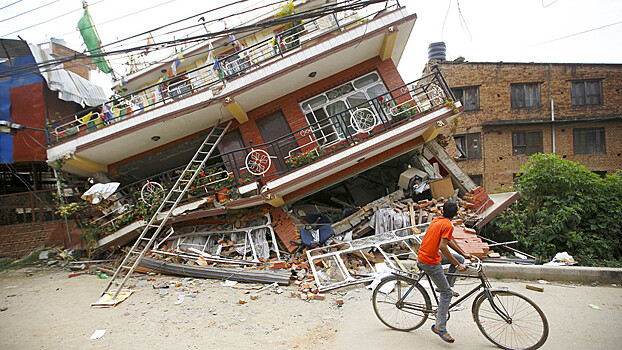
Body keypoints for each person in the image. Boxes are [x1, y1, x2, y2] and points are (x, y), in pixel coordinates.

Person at [417, 200, 471, 343]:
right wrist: (457, 265)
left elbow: (448, 241)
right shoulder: (448, 224)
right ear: (456, 214)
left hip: (425, 255)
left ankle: (447, 287)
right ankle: (439, 327)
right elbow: (443, 247)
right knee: (446, 293)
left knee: (459, 259)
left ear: (442, 212)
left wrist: (463, 254)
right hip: (429, 262)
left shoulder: (437, 220)